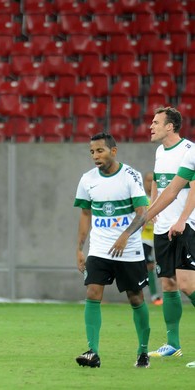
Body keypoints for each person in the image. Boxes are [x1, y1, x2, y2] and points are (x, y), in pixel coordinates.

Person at [111, 107, 195, 362]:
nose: (151, 126)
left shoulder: (189, 151)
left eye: (156, 122)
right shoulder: (160, 151)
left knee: (187, 284)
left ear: (170, 126)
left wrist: (182, 219)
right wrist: (152, 203)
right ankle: (173, 344)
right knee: (168, 284)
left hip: (186, 225)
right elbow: (160, 184)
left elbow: (191, 189)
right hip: (162, 227)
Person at [74, 132, 150, 369]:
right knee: (93, 293)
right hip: (99, 249)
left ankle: (143, 352)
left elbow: (143, 212)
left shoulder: (130, 176)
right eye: (92, 152)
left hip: (129, 250)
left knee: (135, 298)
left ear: (113, 151)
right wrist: (79, 248)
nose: (95, 156)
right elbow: (86, 214)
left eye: (100, 151)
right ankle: (92, 352)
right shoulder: (87, 180)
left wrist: (125, 236)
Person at [142, 171, 162, 306]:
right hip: (144, 238)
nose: (150, 183)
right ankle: (155, 296)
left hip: (159, 235)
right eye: (148, 180)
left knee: (160, 266)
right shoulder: (141, 198)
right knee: (149, 266)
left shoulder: (161, 198)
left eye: (152, 180)